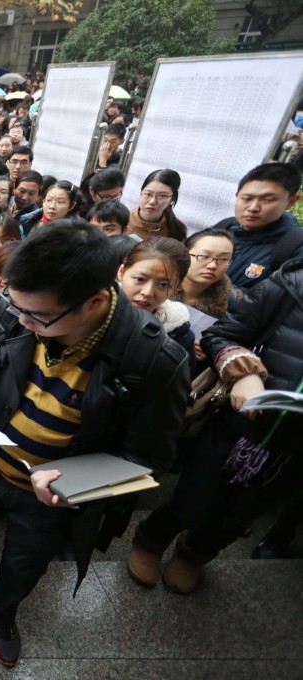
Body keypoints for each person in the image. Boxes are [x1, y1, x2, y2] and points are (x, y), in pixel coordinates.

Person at [0, 221, 190, 668]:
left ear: (95, 302)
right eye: (16, 309)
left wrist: (77, 481)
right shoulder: (19, 305)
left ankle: (3, 610)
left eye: (37, 318)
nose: (21, 322)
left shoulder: (155, 359)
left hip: (52, 494)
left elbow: (150, 458)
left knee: (24, 563)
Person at [147, 256, 303, 594]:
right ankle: (150, 540)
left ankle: (193, 556)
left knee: (239, 517)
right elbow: (221, 335)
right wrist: (243, 372)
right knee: (191, 496)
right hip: (239, 425)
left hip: (293, 452)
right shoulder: (288, 286)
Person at [217, 162, 302, 293]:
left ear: (290, 202)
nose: (253, 208)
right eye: (247, 198)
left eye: (268, 200)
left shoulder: (295, 249)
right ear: (237, 195)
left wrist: (210, 289)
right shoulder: (223, 228)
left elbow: (282, 303)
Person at [117, 237, 196, 370]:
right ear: (121, 272)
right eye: (140, 279)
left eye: (163, 285)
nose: (147, 292)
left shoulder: (178, 334)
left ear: (177, 288)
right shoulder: (87, 309)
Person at [127, 169, 187, 242]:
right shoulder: (121, 219)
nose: (152, 201)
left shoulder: (178, 231)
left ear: (172, 199)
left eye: (161, 196)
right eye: (148, 194)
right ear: (141, 194)